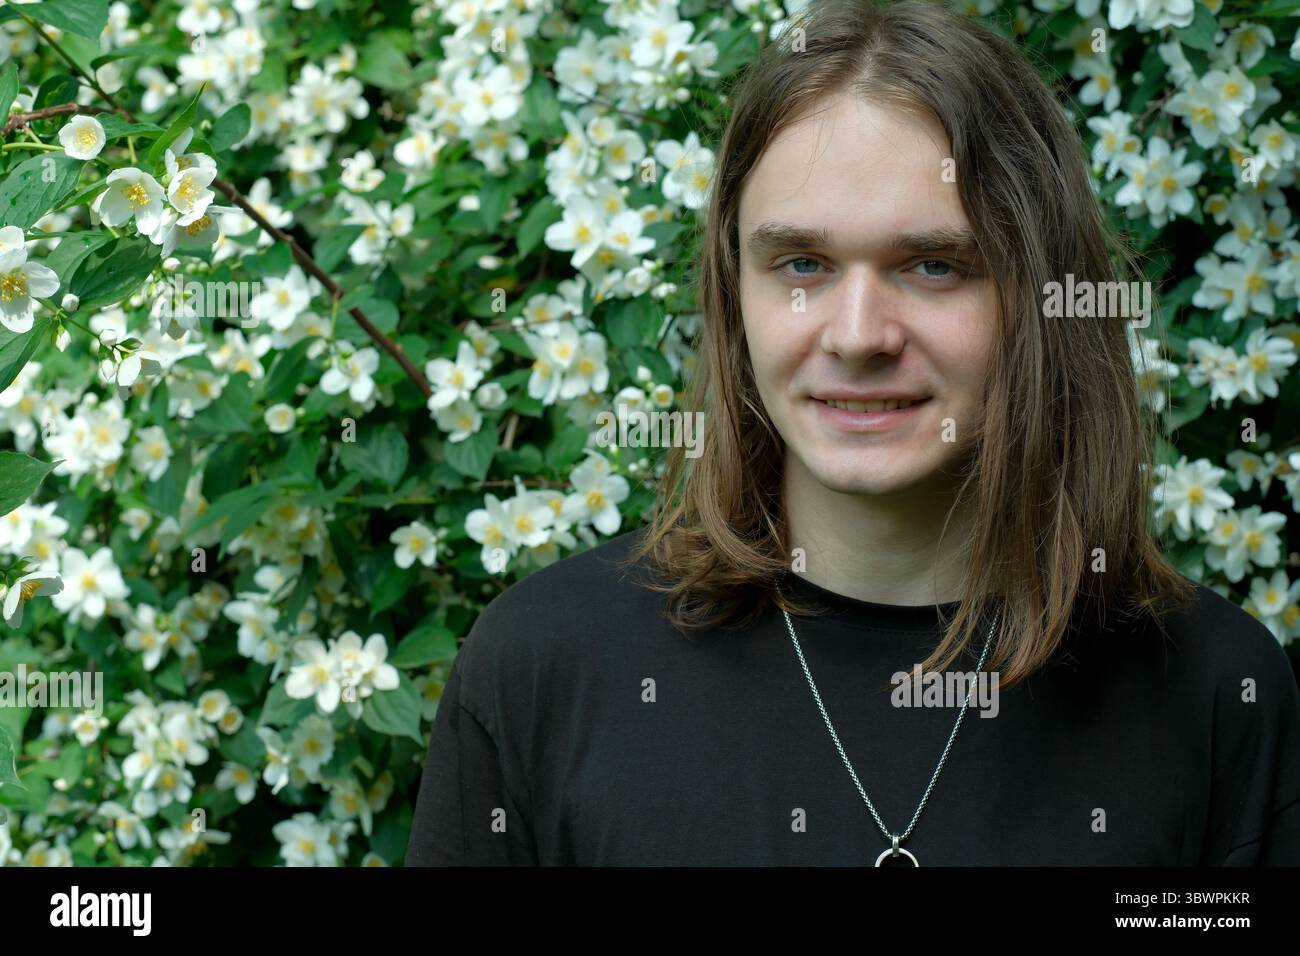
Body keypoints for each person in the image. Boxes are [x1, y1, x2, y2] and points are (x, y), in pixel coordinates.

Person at [405, 0, 1300, 865]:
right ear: (733, 290)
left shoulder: (1217, 696)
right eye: (802, 264)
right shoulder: (540, 673)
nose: (858, 334)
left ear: (1041, 296)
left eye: (935, 265)